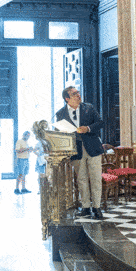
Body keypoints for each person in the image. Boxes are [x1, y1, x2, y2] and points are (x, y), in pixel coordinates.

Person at [55, 86, 105, 220]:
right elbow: (60, 133)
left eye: (78, 92)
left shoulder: (89, 108)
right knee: (81, 180)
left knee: (95, 178)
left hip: (93, 148)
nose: (78, 95)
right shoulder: (60, 114)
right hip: (76, 150)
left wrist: (88, 128)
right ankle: (86, 207)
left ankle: (97, 207)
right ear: (67, 98)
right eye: (74, 94)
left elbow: (100, 123)